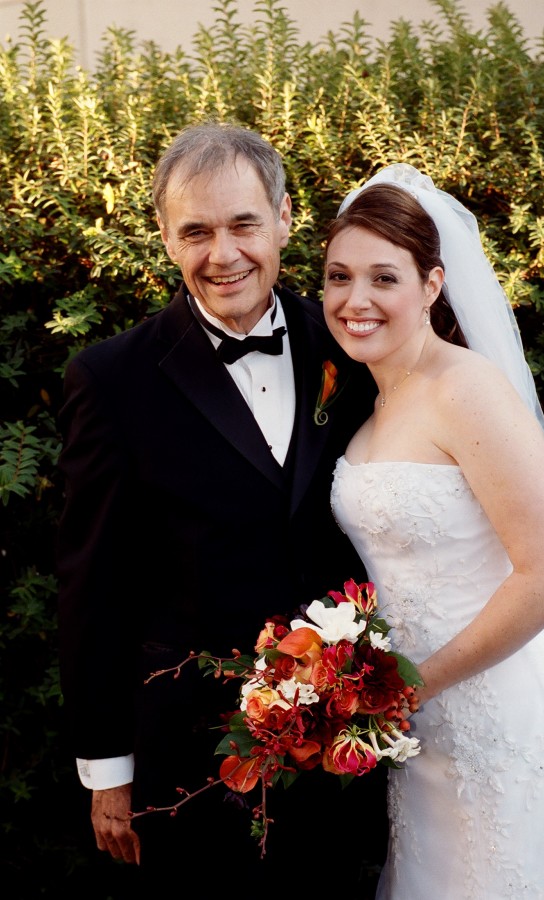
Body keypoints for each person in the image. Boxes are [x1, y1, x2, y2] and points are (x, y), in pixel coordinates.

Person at [55, 121, 385, 898]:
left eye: (243, 224)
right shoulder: (110, 379)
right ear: (165, 236)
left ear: (284, 219)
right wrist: (108, 770)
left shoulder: (352, 345)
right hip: (189, 759)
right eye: (196, 232)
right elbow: (93, 587)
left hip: (344, 749)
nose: (224, 253)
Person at [322, 164, 544, 899]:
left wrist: (413, 687)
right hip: (422, 727)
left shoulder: (466, 389)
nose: (355, 299)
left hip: (504, 708)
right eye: (339, 277)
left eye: (384, 278)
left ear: (432, 285)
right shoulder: (371, 405)